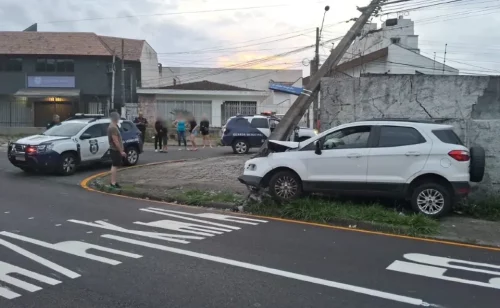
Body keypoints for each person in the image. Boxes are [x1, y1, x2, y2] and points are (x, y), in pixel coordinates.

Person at [107, 112, 126, 189]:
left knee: (115, 166)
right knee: (115, 166)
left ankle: (113, 181)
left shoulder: (113, 126)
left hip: (114, 149)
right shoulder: (113, 128)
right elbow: (115, 141)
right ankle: (113, 183)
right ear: (116, 118)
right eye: (118, 118)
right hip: (115, 150)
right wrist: (121, 151)